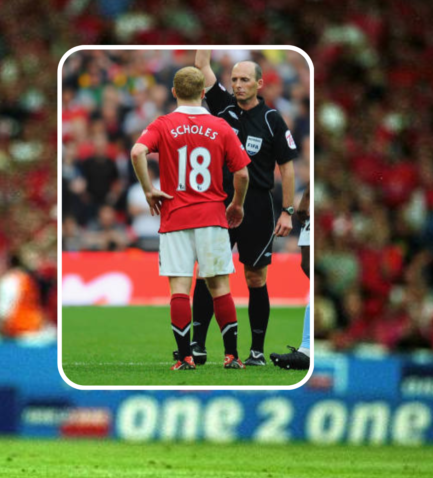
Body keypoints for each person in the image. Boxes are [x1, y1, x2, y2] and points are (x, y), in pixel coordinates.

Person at [131, 66, 251, 370]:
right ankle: (232, 356)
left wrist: (149, 191)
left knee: (180, 289)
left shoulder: (163, 124)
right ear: (202, 93)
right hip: (212, 216)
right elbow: (243, 174)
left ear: (173, 92)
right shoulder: (222, 127)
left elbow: (136, 152)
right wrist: (236, 204)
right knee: (220, 287)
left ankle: (185, 357)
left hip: (175, 216)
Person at [184, 50, 299, 366]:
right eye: (234, 79)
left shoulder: (271, 120)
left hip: (259, 205)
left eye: (244, 79)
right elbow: (202, 66)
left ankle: (257, 352)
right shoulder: (222, 107)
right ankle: (197, 346)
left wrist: (288, 211)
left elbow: (287, 168)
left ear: (259, 83)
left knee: (255, 278)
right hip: (220, 202)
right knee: (209, 274)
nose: (238, 85)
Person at [271, 187, 311, 369]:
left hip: (314, 205)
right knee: (306, 265)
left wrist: (307, 195)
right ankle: (308, 348)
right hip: (311, 206)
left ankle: (307, 350)